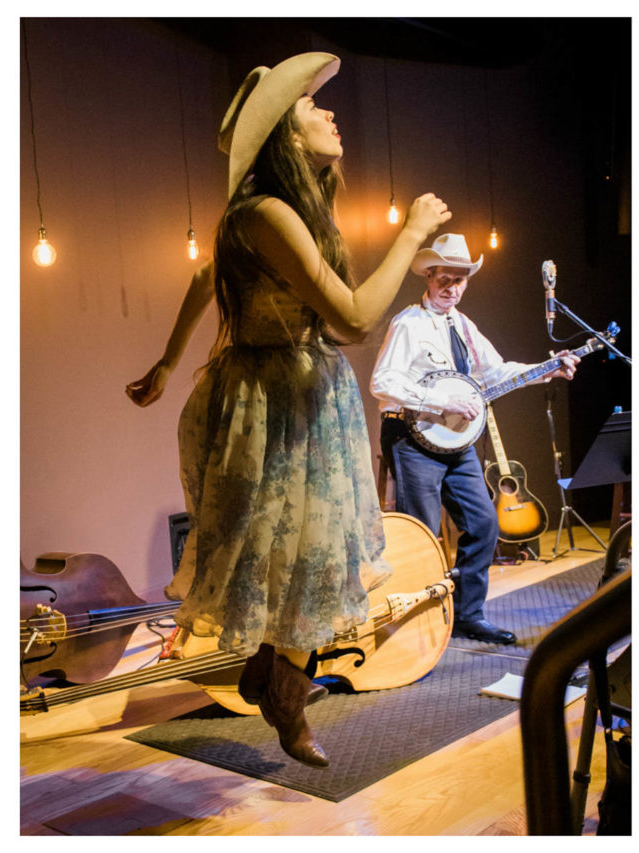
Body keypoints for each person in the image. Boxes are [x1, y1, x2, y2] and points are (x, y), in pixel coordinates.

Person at [125, 53, 454, 767]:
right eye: (312, 105)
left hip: (299, 386)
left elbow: (207, 273)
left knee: (304, 543)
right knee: (301, 547)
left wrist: (169, 358)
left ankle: (273, 668)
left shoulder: (284, 208)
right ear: (285, 133)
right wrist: (411, 235)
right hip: (277, 394)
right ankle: (285, 689)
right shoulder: (266, 211)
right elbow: (359, 320)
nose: (329, 112)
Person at [370, 234, 580, 645]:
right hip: (412, 437)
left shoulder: (464, 326)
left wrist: (548, 369)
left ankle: (467, 615)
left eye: (459, 280)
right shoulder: (408, 324)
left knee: (484, 522)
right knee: (424, 533)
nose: (451, 288)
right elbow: (383, 381)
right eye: (443, 279)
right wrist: (439, 397)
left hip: (453, 439)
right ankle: (420, 624)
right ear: (428, 278)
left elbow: (496, 373)